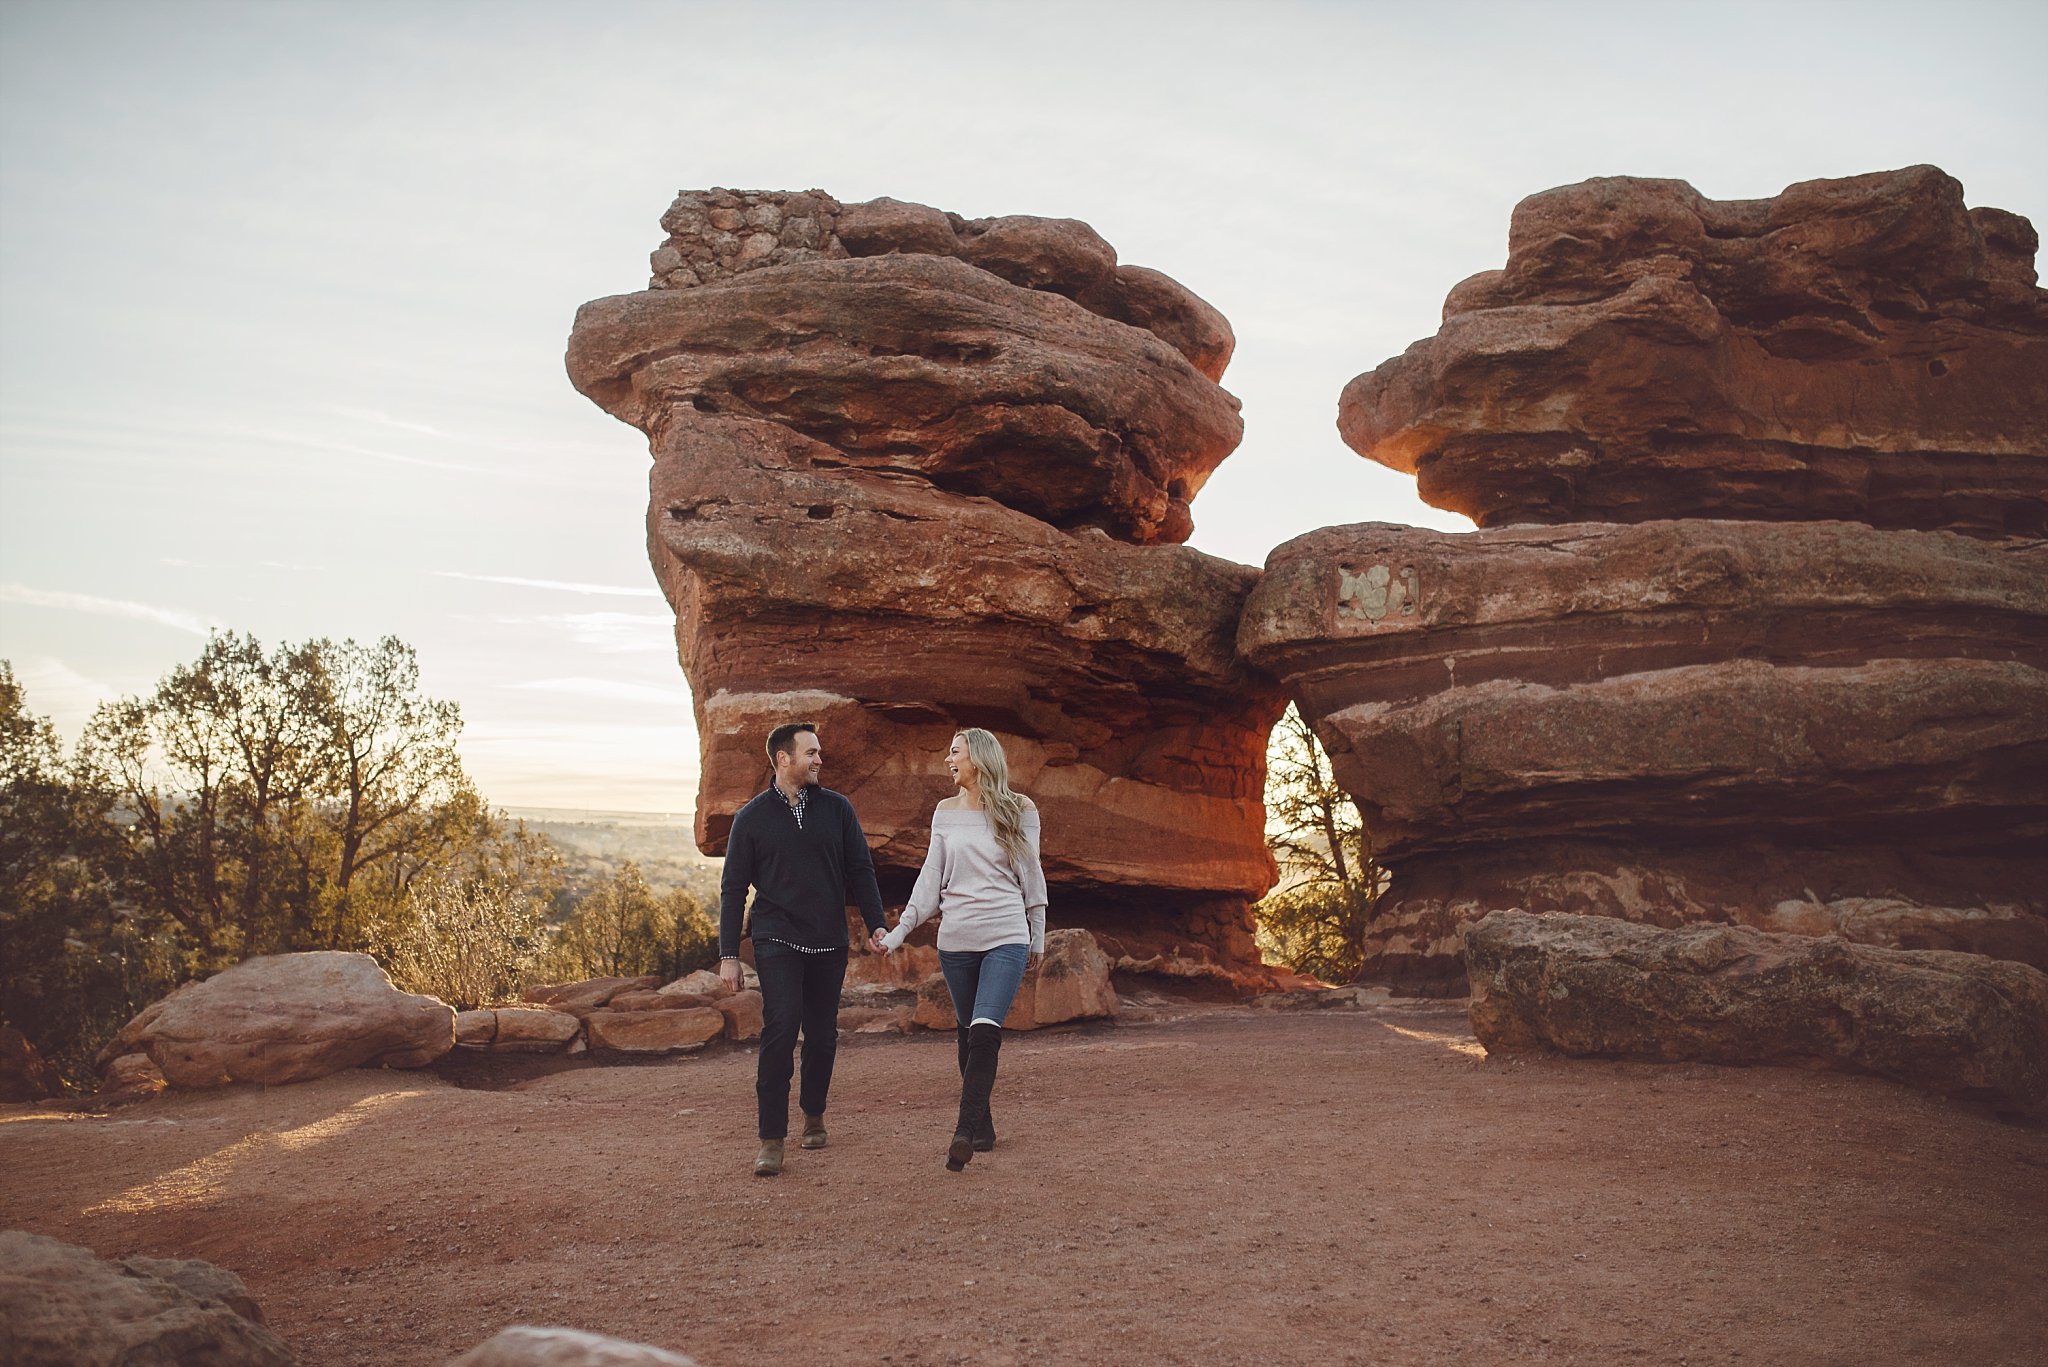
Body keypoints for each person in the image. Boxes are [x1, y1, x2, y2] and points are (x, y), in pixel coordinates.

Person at [719, 721, 888, 1177]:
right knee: (780, 1028)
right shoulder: (750, 819)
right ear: (783, 759)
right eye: (810, 753)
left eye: (819, 753)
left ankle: (813, 1114)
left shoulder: (837, 809)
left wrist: (877, 925)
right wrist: (728, 953)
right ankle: (771, 1139)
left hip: (828, 938)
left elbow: (861, 870)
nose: (819, 760)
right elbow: (733, 889)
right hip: (775, 937)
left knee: (821, 1034)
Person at [876, 727, 1047, 1171]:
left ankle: (964, 1132)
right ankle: (984, 1125)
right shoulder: (944, 813)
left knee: (986, 1029)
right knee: (968, 1032)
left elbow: (1033, 876)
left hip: (1007, 935)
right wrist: (896, 935)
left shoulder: (1021, 809)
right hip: (956, 942)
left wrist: (1038, 934)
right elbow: (930, 882)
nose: (948, 760)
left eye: (955, 753)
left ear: (980, 758)